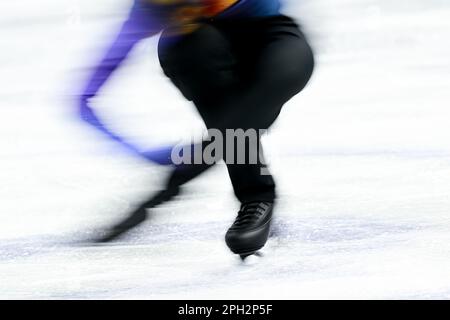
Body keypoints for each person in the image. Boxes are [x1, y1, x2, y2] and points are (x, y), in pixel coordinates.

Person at [78, 0, 315, 259]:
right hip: (205, 56)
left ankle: (252, 194)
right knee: (188, 48)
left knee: (275, 75)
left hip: (274, 44)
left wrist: (186, 167)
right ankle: (256, 195)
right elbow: (83, 99)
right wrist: (142, 152)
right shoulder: (150, 11)